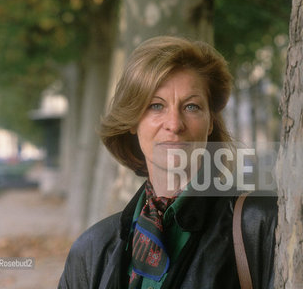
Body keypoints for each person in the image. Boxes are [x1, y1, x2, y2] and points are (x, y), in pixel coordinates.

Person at [58, 36, 277, 289]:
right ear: (132, 121)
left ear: (210, 123)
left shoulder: (260, 225)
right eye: (156, 106)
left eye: (192, 106)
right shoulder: (91, 250)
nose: (174, 124)